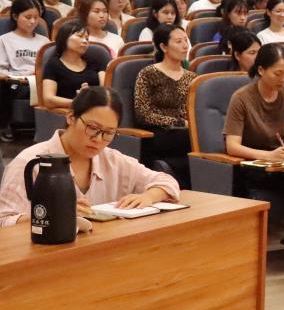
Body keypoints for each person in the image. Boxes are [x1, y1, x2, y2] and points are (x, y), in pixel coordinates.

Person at [0, 87, 180, 227]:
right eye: (92, 128)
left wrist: (148, 196)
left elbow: (167, 181)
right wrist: (52, 214)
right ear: (71, 117)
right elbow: (4, 221)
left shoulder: (113, 160)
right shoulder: (29, 162)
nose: (98, 140)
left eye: (108, 133)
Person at [224, 43, 284, 201]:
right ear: (261, 70)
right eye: (277, 74)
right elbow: (232, 146)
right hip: (254, 165)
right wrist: (268, 155)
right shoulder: (241, 98)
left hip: (283, 164)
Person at [134, 24, 195, 185]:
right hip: (158, 132)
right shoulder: (148, 73)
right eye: (179, 41)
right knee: (192, 137)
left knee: (201, 136)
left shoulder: (192, 77)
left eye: (186, 40)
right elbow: (143, 114)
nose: (185, 46)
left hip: (185, 131)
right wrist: (179, 123)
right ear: (163, 47)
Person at [0, 0, 48, 141]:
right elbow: (2, 69)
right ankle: (4, 126)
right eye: (28, 17)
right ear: (15, 16)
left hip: (39, 80)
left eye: (36, 18)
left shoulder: (44, 41)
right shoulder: (4, 40)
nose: (32, 22)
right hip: (15, 81)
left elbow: (50, 66)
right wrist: (11, 77)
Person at [41, 21, 104, 111]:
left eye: (87, 38)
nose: (85, 41)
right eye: (80, 36)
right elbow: (48, 100)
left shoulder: (94, 62)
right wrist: (78, 102)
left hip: (97, 110)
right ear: (65, 38)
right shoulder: (53, 65)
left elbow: (105, 93)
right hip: (69, 113)